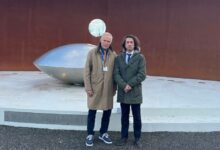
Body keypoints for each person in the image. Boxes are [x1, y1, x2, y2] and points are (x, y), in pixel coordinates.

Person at [83, 32, 117, 147]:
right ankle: (90, 134)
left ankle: (103, 133)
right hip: (94, 88)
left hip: (108, 89)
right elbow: (87, 71)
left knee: (107, 111)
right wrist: (88, 87)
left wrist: (114, 88)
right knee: (92, 111)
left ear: (110, 42)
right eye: (104, 40)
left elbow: (116, 73)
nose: (106, 43)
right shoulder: (92, 53)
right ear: (100, 40)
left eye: (108, 41)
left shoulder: (113, 55)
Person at [113, 35, 146, 148]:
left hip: (135, 91)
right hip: (123, 92)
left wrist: (130, 84)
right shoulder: (118, 58)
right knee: (124, 117)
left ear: (135, 44)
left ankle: (137, 138)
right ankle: (124, 137)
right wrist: (123, 85)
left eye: (131, 42)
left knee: (137, 117)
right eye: (127, 42)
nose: (130, 44)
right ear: (124, 44)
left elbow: (142, 75)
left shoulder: (140, 58)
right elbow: (116, 74)